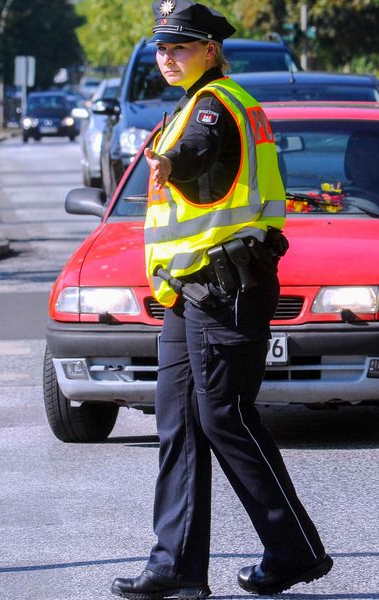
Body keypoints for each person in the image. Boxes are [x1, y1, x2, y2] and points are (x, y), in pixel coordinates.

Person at [111, 1, 331, 598]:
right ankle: (175, 567)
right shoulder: (194, 105)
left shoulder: (214, 106)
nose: (167, 56)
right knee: (179, 423)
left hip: (225, 285)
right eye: (161, 47)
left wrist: (170, 162)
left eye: (180, 46)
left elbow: (200, 154)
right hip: (192, 293)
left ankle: (295, 550)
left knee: (223, 416)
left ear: (211, 49)